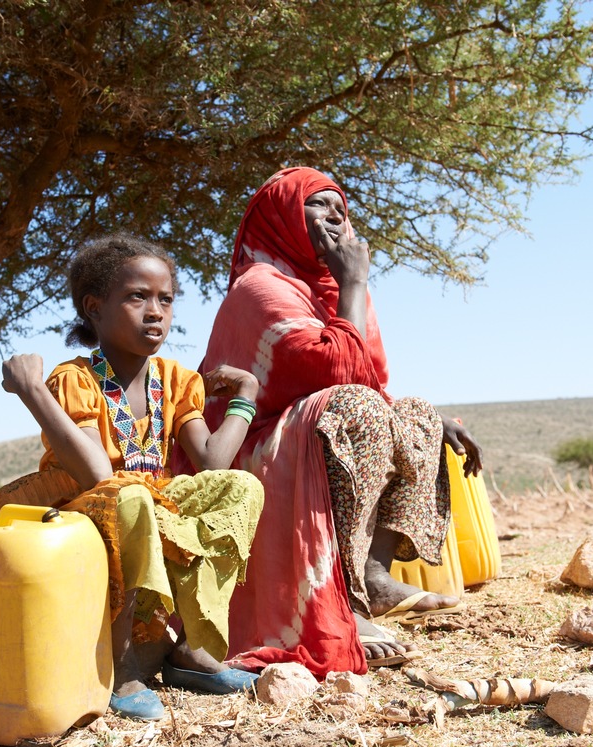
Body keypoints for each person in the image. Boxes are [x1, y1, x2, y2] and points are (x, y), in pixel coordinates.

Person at [183, 167, 483, 678]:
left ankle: (374, 575)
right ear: (282, 220)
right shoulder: (257, 288)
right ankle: (343, 601)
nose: (336, 214)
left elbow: (370, 376)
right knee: (356, 409)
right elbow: (334, 370)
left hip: (316, 431)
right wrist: (356, 281)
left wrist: (429, 421)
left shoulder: (331, 288)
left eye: (340, 205)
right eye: (317, 205)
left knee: (412, 411)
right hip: (255, 448)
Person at [0, 233, 264, 722]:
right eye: (137, 296)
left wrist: (247, 393)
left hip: (144, 498)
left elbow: (214, 462)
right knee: (129, 495)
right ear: (94, 308)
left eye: (165, 299)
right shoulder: (75, 380)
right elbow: (94, 473)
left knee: (241, 488)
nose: (155, 311)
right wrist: (33, 392)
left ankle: (190, 647)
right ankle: (120, 662)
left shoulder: (178, 381)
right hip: (81, 504)